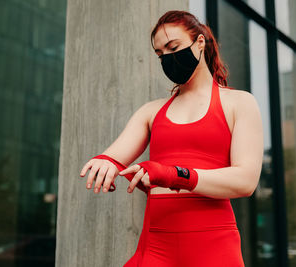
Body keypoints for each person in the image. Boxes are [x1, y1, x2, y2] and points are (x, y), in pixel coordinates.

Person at [79, 10, 263, 267]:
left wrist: (172, 174)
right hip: (156, 247)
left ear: (200, 43)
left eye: (173, 47)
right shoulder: (151, 111)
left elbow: (245, 181)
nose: (167, 58)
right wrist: (106, 163)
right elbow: (114, 156)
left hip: (213, 245)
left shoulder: (239, 103)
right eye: (159, 54)